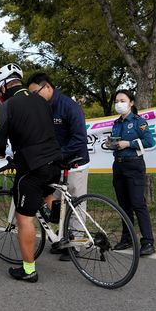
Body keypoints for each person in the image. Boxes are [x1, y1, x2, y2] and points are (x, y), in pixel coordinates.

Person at [0, 63, 62, 283]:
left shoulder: (9, 106)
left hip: (32, 167)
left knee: (24, 218)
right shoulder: (42, 100)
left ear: (4, 87)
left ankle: (29, 269)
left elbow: (1, 140)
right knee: (47, 194)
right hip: (55, 161)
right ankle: (60, 235)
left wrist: (0, 151)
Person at [27, 72, 90, 261]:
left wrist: (57, 154)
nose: (34, 98)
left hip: (75, 163)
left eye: (35, 92)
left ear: (47, 87)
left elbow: (80, 138)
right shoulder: (42, 107)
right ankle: (63, 240)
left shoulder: (69, 106)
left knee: (76, 204)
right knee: (58, 204)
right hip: (54, 164)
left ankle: (76, 246)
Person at [110, 88, 156, 256]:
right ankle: (127, 237)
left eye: (122, 101)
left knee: (138, 203)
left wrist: (128, 144)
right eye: (116, 102)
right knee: (123, 205)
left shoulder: (138, 121)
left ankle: (148, 242)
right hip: (118, 165)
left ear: (131, 103)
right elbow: (117, 142)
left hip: (134, 165)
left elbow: (150, 141)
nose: (119, 104)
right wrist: (112, 144)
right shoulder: (116, 123)